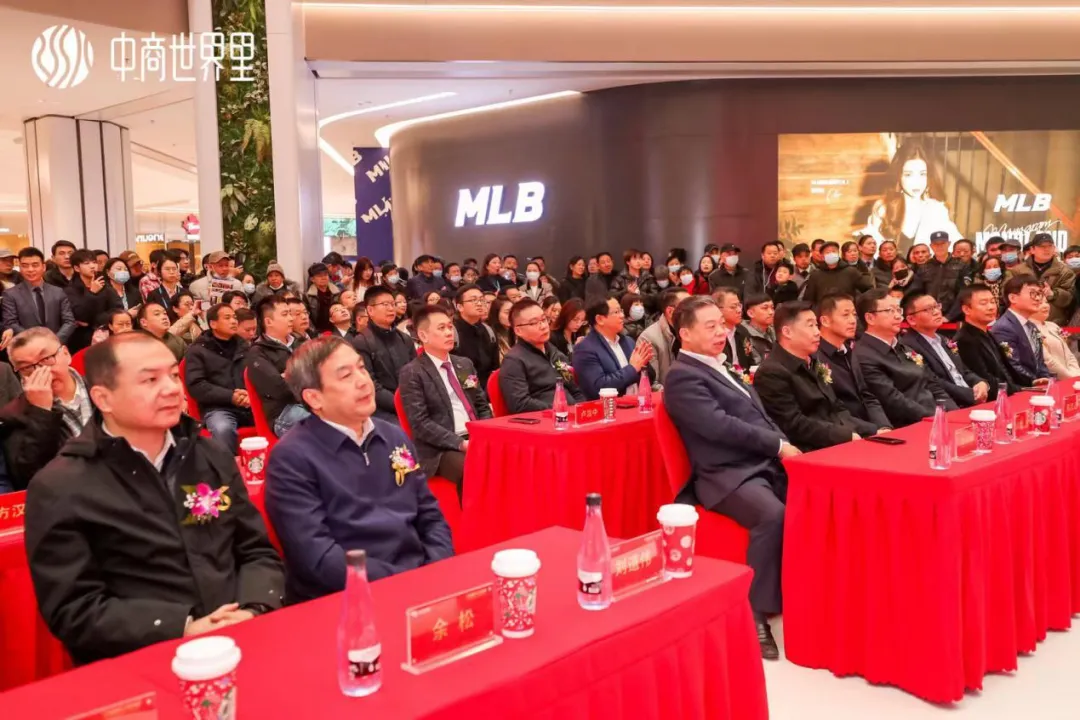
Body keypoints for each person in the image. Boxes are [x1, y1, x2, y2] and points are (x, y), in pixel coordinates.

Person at [26, 333, 284, 665]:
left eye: (173, 375)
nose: (172, 389)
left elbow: (256, 551)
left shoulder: (209, 455)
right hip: (142, 660)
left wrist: (252, 608)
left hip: (241, 637)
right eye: (150, 380)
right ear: (103, 398)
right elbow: (73, 607)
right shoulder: (61, 485)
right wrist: (184, 627)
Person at [266, 336, 453, 602]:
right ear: (314, 398)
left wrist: (437, 566)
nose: (363, 381)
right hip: (347, 597)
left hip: (419, 579)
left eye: (362, 368)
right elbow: (318, 557)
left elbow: (430, 515)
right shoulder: (292, 458)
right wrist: (404, 581)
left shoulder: (393, 436)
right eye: (346, 376)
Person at [664, 295, 794, 659]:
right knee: (772, 515)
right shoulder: (682, 376)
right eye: (711, 327)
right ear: (686, 334)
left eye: (721, 324)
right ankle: (753, 611)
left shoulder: (720, 365)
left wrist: (784, 444)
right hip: (725, 473)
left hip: (760, 462)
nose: (721, 332)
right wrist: (778, 447)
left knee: (817, 494)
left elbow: (759, 416)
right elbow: (719, 427)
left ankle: (802, 590)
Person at [754, 301, 882, 451]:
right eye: (810, 326)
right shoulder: (771, 372)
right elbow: (794, 424)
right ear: (787, 332)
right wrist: (845, 436)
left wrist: (873, 430)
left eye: (816, 325)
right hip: (810, 450)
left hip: (838, 439)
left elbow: (837, 409)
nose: (817, 332)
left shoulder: (813, 360)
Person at [399, 306, 493, 496]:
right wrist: (460, 443)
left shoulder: (464, 364)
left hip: (475, 435)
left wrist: (485, 432)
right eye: (441, 328)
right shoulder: (412, 372)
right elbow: (420, 423)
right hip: (440, 448)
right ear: (423, 335)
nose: (449, 332)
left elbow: (481, 405)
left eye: (450, 327)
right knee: (473, 467)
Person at [0, 328, 93, 490]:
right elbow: (30, 477)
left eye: (46, 359)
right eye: (27, 367)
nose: (41, 371)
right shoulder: (13, 415)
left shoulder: (101, 388)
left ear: (66, 354)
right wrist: (41, 412)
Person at [853, 288, 955, 428]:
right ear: (870, 318)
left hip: (936, 418)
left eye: (898, 310)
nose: (898, 317)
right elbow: (893, 400)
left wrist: (953, 413)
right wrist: (935, 418)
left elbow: (933, 384)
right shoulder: (864, 355)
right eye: (890, 311)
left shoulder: (904, 348)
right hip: (910, 425)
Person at [859, 139, 961, 252]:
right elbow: (871, 251)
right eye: (908, 175)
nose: (917, 182)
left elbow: (957, 246)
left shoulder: (937, 210)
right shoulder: (883, 208)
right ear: (898, 176)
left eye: (922, 174)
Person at [814, 294, 892, 431]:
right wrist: (873, 430)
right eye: (845, 315)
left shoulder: (849, 351)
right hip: (845, 432)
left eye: (854, 315)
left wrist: (884, 426)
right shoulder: (815, 357)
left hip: (870, 429)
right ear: (825, 321)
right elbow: (832, 410)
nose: (853, 320)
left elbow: (867, 396)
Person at [184, 304, 255, 454]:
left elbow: (256, 376)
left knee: (280, 419)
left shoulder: (245, 346)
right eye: (227, 318)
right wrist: (231, 397)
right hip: (218, 408)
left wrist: (249, 395)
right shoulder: (198, 351)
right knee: (223, 429)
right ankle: (227, 468)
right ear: (213, 324)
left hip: (250, 405)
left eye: (234, 317)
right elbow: (197, 385)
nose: (233, 321)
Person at [900, 293, 988, 408]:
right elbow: (933, 381)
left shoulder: (943, 339)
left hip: (969, 398)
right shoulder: (909, 346)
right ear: (912, 319)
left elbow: (963, 371)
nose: (936, 312)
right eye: (928, 309)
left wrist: (980, 383)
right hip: (949, 404)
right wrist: (971, 395)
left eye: (936, 306)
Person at [499, 299, 585, 413]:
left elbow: (575, 391)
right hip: (544, 418)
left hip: (570, 415)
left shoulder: (554, 352)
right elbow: (520, 404)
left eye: (544, 319)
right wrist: (559, 410)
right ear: (518, 330)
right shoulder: (514, 360)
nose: (543, 326)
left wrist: (582, 410)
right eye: (534, 323)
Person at [351, 286, 415, 424]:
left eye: (393, 304)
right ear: (370, 310)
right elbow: (371, 384)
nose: (391, 308)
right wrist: (400, 405)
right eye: (385, 304)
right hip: (382, 410)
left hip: (411, 403)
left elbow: (417, 372)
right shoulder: (361, 342)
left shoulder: (405, 338)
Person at [247, 295, 309, 437]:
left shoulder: (301, 343)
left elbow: (321, 373)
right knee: (322, 422)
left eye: (290, 314)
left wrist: (291, 376)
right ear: (269, 321)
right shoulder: (258, 352)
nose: (291, 318)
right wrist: (306, 377)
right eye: (285, 314)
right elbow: (279, 389)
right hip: (284, 413)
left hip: (311, 401)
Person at [572, 297, 654, 400]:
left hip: (639, 402)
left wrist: (644, 365)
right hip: (610, 408)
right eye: (616, 312)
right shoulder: (585, 349)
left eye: (621, 311)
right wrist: (632, 369)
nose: (622, 316)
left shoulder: (628, 341)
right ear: (600, 319)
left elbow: (650, 377)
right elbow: (598, 388)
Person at [954, 284, 1020, 399]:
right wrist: (1017, 390)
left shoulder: (988, 333)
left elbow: (1005, 369)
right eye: (983, 303)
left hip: (1008, 393)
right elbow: (983, 378)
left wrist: (1029, 385)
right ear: (966, 309)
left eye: (993, 302)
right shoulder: (964, 340)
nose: (991, 307)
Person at [2, 247, 76, 344]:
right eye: (25, 266)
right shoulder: (10, 294)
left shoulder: (57, 292)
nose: (30, 269)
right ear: (20, 268)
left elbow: (69, 321)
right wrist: (35, 342)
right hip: (27, 346)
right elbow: (11, 323)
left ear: (43, 267)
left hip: (56, 344)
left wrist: (55, 341)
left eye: (35, 265)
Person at [990, 275, 1053, 387]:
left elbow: (1040, 362)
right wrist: (1036, 382)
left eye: (1039, 293)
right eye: (1032, 293)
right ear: (1013, 298)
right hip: (1020, 388)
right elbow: (1013, 366)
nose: (1038, 298)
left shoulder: (1032, 326)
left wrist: (1047, 381)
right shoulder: (1004, 327)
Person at [64, 249, 114, 353]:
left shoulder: (105, 285)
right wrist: (92, 293)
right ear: (77, 268)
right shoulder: (70, 290)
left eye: (94, 262)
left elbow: (117, 309)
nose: (92, 266)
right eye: (87, 263)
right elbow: (80, 315)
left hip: (106, 336)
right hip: (82, 340)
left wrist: (97, 320)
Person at [1021, 232, 1076, 325]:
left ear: (1054, 248)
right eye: (1042, 246)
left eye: (1050, 246)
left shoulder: (1066, 272)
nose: (1046, 249)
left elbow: (1069, 299)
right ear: (1032, 250)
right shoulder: (1018, 270)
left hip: (1054, 323)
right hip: (1023, 322)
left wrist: (1053, 294)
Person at [452, 284, 500, 388]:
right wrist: (476, 393)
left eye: (482, 300)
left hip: (487, 388)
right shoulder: (452, 332)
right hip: (463, 388)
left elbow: (495, 367)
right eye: (473, 300)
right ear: (460, 307)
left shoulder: (489, 331)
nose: (479, 304)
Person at [639, 287, 689, 385]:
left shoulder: (695, 331)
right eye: (688, 307)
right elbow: (652, 384)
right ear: (670, 312)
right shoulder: (648, 338)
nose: (694, 311)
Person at [800, 241, 873, 306]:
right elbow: (808, 299)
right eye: (827, 252)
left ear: (838, 253)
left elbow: (868, 289)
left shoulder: (850, 271)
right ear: (822, 256)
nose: (831, 254)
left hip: (847, 312)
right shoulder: (816, 274)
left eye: (834, 251)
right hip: (823, 313)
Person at [913, 231, 967, 320]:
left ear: (949, 244)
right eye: (936, 244)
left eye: (943, 243)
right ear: (931, 246)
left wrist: (949, 316)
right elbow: (919, 294)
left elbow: (964, 294)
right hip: (929, 316)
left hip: (955, 317)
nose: (939, 246)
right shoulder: (924, 267)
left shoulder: (961, 265)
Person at [712, 288, 758, 369]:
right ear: (718, 309)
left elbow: (750, 361)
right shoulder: (713, 335)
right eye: (733, 307)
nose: (739, 310)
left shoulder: (742, 331)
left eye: (739, 305)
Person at [304, 262, 340, 334]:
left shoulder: (337, 292)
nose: (323, 278)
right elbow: (307, 317)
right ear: (312, 279)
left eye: (325, 275)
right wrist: (314, 333)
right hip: (317, 332)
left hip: (336, 330)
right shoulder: (307, 296)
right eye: (319, 276)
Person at [742, 295, 776, 361]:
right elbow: (755, 363)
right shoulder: (744, 335)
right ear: (751, 313)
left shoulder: (776, 331)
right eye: (765, 308)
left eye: (772, 308)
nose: (771, 312)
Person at [487, 295, 515, 362]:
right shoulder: (489, 335)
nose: (511, 316)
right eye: (507, 312)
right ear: (496, 313)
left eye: (513, 312)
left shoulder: (517, 333)